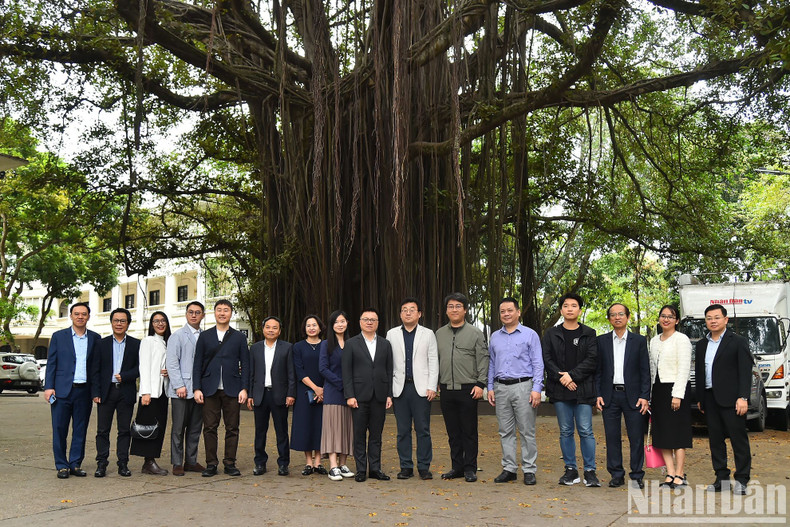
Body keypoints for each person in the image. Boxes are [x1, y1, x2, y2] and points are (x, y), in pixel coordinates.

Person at [542, 293, 600, 487]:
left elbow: (592, 360)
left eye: (574, 305)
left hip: (583, 389)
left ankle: (590, 471)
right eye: (566, 305)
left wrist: (572, 376)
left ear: (580, 310)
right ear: (561, 310)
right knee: (565, 430)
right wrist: (563, 379)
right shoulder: (551, 333)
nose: (569, 309)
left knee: (585, 430)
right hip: (560, 390)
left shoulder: (589, 333)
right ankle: (571, 470)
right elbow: (547, 359)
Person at [695, 304, 753, 495]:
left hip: (733, 400)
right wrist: (700, 398)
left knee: (739, 441)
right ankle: (721, 478)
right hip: (710, 399)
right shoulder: (702, 344)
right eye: (709, 318)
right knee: (715, 441)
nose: (713, 321)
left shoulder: (738, 341)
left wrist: (743, 397)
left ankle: (742, 480)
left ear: (725, 319)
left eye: (717, 317)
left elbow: (745, 372)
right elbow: (700, 372)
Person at [487, 297, 544, 486]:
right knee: (505, 430)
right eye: (502, 311)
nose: (506, 314)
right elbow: (492, 364)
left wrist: (537, 389)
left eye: (510, 310)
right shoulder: (495, 336)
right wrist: (490, 387)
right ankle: (509, 468)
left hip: (524, 386)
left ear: (518, 312)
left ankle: (529, 469)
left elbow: (538, 363)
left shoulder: (530, 335)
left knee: (527, 430)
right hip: (501, 387)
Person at [595, 303, 650, 489]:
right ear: (609, 319)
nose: (617, 317)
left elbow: (645, 371)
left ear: (627, 317)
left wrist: (645, 396)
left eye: (621, 314)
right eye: (613, 315)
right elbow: (598, 371)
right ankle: (616, 474)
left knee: (636, 437)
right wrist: (598, 394)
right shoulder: (601, 341)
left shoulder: (639, 341)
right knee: (612, 437)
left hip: (633, 397)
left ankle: (636, 475)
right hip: (609, 396)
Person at [435, 292, 489, 483]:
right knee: (453, 432)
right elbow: (435, 361)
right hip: (446, 389)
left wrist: (481, 384)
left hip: (469, 389)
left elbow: (483, 359)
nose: (454, 309)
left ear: (465, 310)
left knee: (469, 431)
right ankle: (456, 466)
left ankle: (470, 468)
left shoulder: (475, 333)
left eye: (458, 306)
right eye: (451, 306)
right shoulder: (439, 334)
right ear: (446, 310)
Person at [193, 299, 250, 477]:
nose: (222, 313)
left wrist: (244, 388)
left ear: (231, 313)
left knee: (232, 427)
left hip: (232, 388)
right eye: (219, 310)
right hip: (209, 388)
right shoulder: (205, 336)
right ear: (214, 313)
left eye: (226, 310)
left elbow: (246, 364)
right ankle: (211, 464)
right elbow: (197, 363)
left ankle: (230, 463)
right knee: (210, 427)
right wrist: (196, 388)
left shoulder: (239, 337)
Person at [44, 302, 101, 479]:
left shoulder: (95, 338)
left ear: (88, 317)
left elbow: (96, 367)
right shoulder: (58, 336)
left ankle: (75, 463)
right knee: (59, 429)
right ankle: (61, 465)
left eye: (84, 314)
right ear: (71, 316)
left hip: (84, 391)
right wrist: (48, 387)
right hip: (61, 391)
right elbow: (52, 363)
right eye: (77, 314)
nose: (80, 317)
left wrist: (96, 391)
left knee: (80, 430)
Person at [386, 297, 438, 481]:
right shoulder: (391, 334)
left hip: (421, 389)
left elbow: (433, 361)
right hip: (400, 388)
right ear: (400, 314)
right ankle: (406, 466)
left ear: (419, 314)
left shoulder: (428, 334)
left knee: (423, 429)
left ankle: (424, 467)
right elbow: (388, 363)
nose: (408, 312)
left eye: (412, 309)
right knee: (403, 430)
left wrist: (432, 386)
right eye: (404, 309)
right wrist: (389, 392)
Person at [342, 308, 394, 482]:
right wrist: (349, 395)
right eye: (366, 319)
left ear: (378, 323)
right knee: (359, 435)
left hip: (379, 396)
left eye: (373, 320)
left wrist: (389, 394)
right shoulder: (351, 343)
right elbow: (346, 372)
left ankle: (375, 469)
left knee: (376, 435)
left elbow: (388, 370)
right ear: (360, 322)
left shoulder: (385, 344)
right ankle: (361, 470)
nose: (369, 322)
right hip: (358, 396)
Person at [91, 308, 140, 477]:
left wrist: (125, 376)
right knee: (102, 430)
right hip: (106, 392)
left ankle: (123, 463)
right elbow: (95, 370)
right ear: (111, 322)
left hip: (125, 391)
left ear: (128, 323)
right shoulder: (101, 343)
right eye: (116, 320)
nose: (119, 324)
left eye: (123, 321)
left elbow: (140, 368)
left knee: (124, 430)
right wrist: (95, 392)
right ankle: (101, 463)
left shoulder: (135, 344)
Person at [648, 304, 692, 489]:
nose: (666, 319)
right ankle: (670, 473)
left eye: (670, 316)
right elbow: (652, 369)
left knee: (678, 435)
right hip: (658, 390)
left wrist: (677, 395)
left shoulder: (681, 340)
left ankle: (680, 474)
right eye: (663, 316)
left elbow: (684, 369)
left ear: (677, 321)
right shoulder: (654, 341)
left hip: (676, 390)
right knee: (662, 435)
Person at [248, 316, 296, 476]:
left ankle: (283, 464)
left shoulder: (287, 348)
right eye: (268, 327)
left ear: (280, 330)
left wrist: (291, 393)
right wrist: (250, 394)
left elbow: (291, 373)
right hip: (260, 395)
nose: (271, 330)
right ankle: (260, 463)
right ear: (263, 329)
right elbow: (251, 373)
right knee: (260, 431)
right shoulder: (254, 348)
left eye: (274, 327)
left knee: (281, 431)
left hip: (280, 395)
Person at [166, 301, 206, 476]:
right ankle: (177, 462)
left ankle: (191, 460)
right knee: (178, 427)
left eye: (198, 312)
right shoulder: (177, 336)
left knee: (196, 427)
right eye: (191, 312)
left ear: (203, 315)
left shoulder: (206, 336)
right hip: (181, 389)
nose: (194, 315)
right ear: (186, 314)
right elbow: (172, 363)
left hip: (199, 389)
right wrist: (179, 385)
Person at [130, 311, 171, 475]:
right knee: (148, 428)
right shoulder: (148, 341)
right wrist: (145, 392)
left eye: (163, 321)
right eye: (156, 321)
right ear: (151, 324)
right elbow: (144, 367)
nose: (160, 324)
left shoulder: (167, 342)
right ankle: (148, 461)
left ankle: (152, 460)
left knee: (159, 427)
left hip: (163, 392)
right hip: (151, 393)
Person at [319, 310, 355, 481]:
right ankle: (333, 466)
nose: (340, 324)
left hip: (350, 394)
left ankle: (343, 463)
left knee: (347, 428)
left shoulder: (353, 343)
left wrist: (351, 387)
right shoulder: (326, 344)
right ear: (332, 325)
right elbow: (323, 368)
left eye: (343, 321)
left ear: (347, 323)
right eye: (336, 322)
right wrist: (341, 383)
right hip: (333, 392)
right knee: (333, 428)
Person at [290, 314, 327, 476]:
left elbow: (331, 366)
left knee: (320, 426)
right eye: (308, 325)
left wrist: (323, 389)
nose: (311, 328)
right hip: (304, 391)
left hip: (326, 391)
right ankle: (308, 463)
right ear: (304, 329)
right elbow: (299, 370)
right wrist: (315, 388)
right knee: (305, 425)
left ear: (320, 327)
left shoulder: (327, 345)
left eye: (314, 325)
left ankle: (318, 462)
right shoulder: (297, 347)